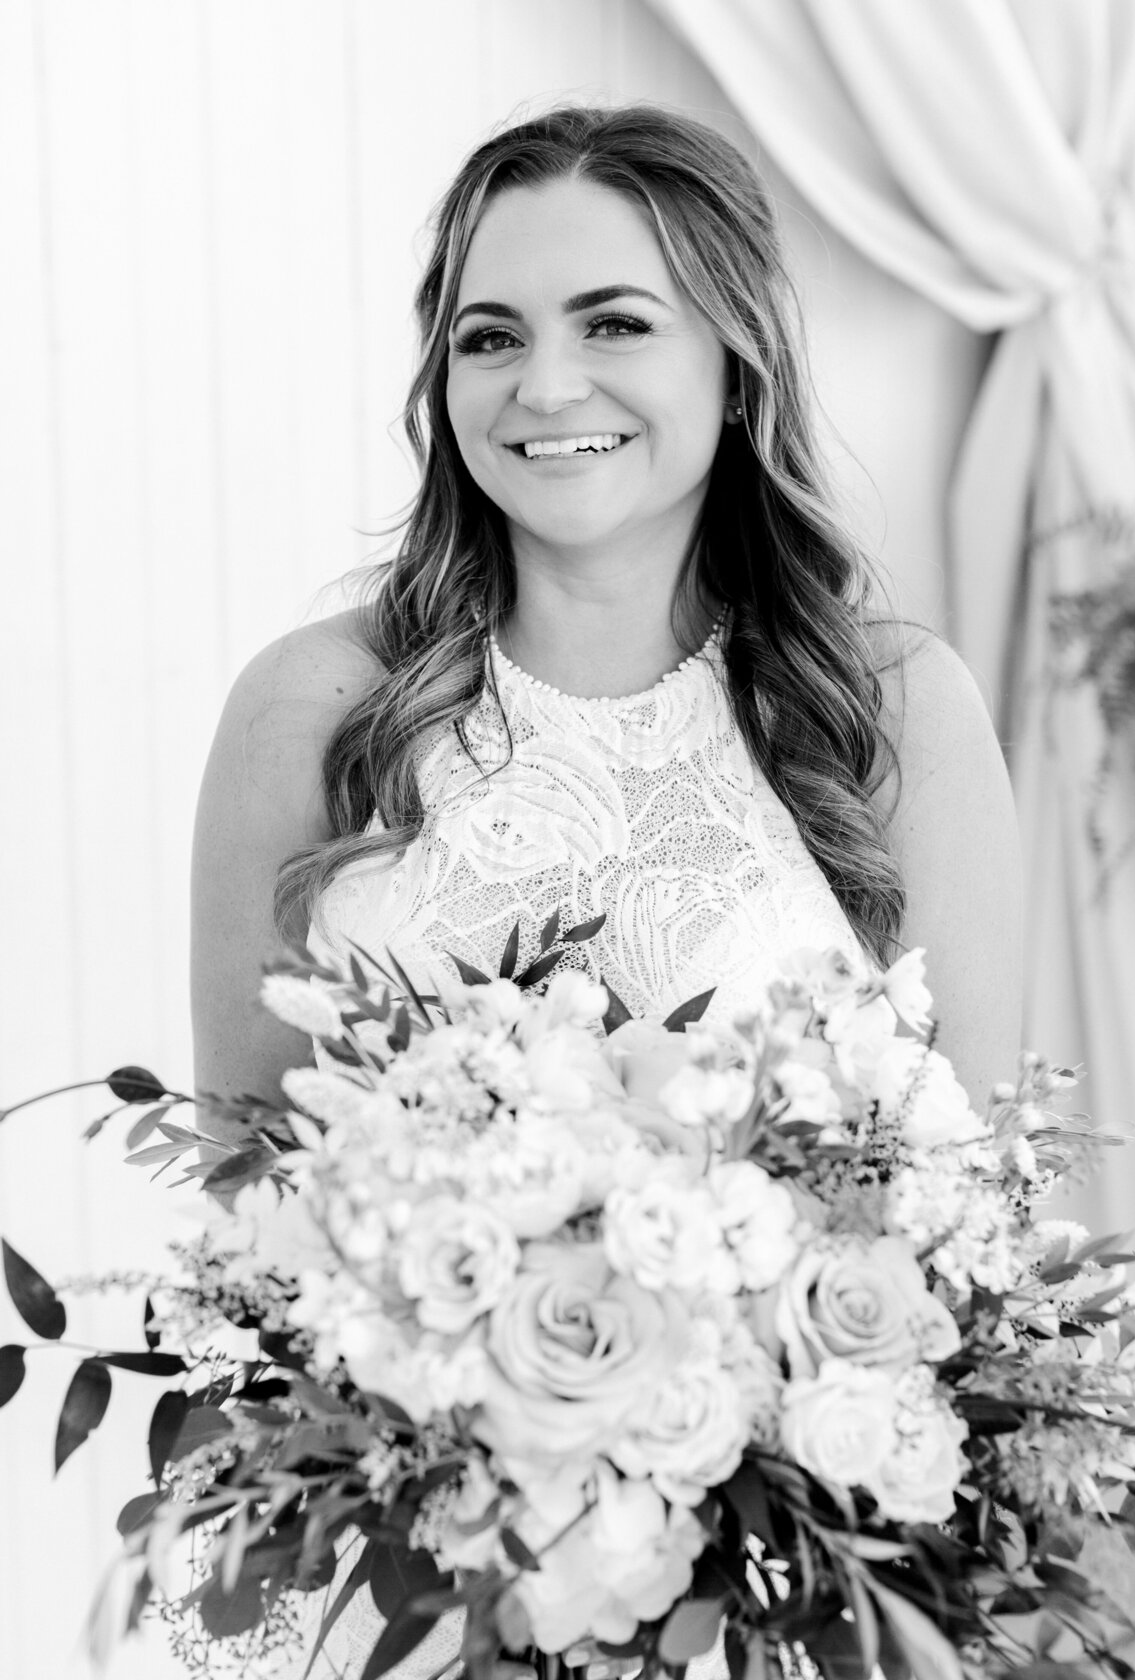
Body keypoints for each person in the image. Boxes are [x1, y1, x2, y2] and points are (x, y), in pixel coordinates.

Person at [190, 104, 1021, 1678]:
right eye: (490, 336)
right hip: (424, 1583)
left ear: (737, 360)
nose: (547, 384)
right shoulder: (314, 709)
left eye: (615, 322)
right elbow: (252, 1198)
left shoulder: (894, 709)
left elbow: (974, 1218)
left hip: (782, 1593)